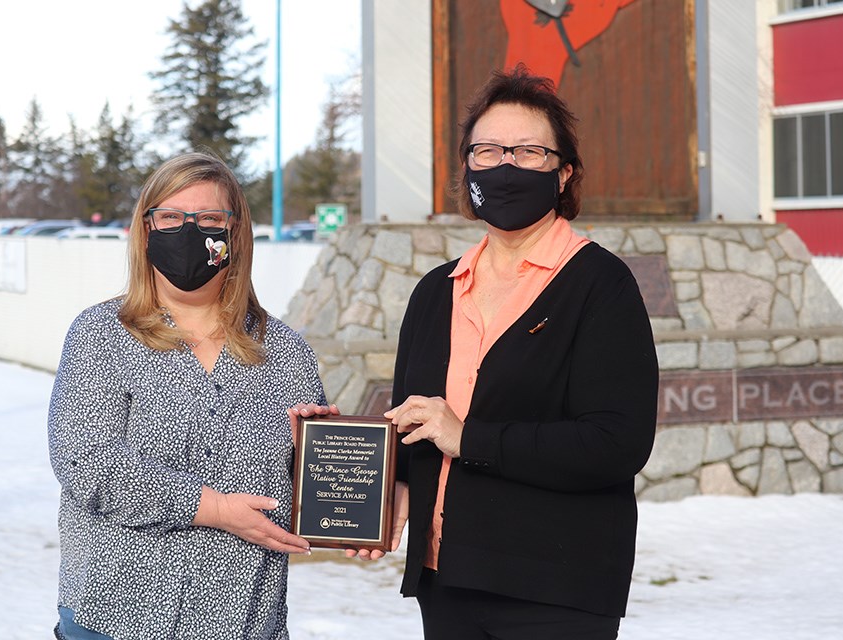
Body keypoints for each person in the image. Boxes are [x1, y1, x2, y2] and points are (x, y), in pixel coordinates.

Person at [360, 65, 659, 639]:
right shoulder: (435, 291)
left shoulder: (600, 283)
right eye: (488, 150)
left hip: (555, 587)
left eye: (528, 152)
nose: (504, 165)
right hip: (446, 582)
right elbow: (416, 425)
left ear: (563, 172)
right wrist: (378, 480)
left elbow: (616, 444)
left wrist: (469, 437)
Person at [48, 151, 334, 640]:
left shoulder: (284, 353)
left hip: (241, 622)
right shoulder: (100, 335)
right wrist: (214, 508)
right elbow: (86, 463)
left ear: (235, 234)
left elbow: (300, 507)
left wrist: (318, 467)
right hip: (114, 619)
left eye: (208, 219)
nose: (188, 231)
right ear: (146, 230)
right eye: (171, 217)